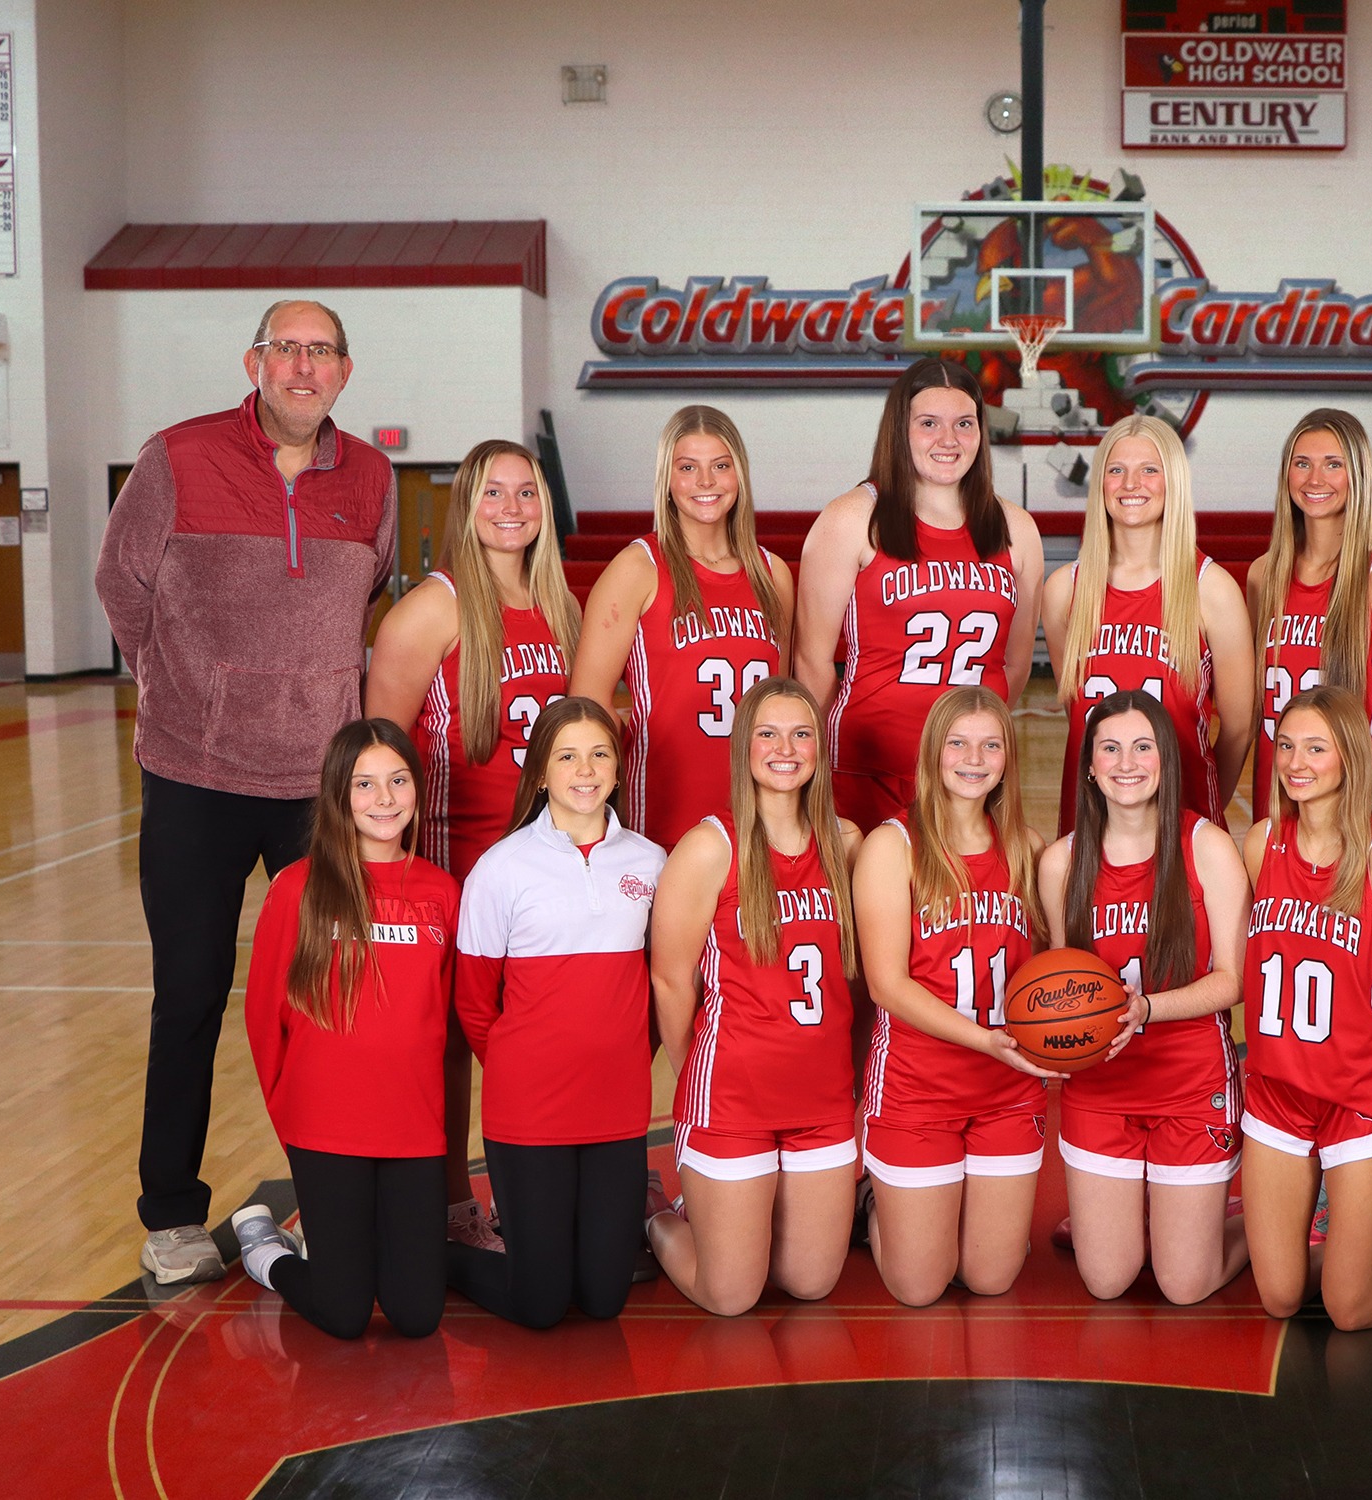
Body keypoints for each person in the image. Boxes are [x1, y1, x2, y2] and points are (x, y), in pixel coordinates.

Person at [94, 299, 394, 1285]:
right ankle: (173, 1216)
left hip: (318, 789)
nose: (303, 368)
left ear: (345, 371)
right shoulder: (176, 458)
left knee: (328, 1000)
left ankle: (326, 1200)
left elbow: (368, 597)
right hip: (195, 779)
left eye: (321, 352)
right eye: (287, 350)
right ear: (255, 362)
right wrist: (185, 687)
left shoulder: (375, 479)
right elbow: (120, 586)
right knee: (187, 997)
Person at [365, 438, 579, 1251]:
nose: (512, 508)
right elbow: (378, 753)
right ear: (466, 505)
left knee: (537, 1041)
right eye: (493, 493)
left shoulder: (564, 605)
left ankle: (539, 1192)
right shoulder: (432, 608)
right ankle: (453, 1205)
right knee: (452, 1042)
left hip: (547, 868)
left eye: (527, 492)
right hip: (457, 867)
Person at [448, 698, 668, 1329]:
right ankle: (438, 1260)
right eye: (566, 755)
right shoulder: (502, 868)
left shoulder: (650, 864)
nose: (585, 768)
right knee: (540, 1305)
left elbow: (662, 986)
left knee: (603, 1300)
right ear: (540, 772)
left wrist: (625, 1055)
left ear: (620, 767)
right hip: (529, 1109)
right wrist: (525, 1067)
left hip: (617, 1105)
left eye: (599, 753)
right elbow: (473, 1000)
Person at [233, 719, 456, 1339]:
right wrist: (291, 1119)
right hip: (325, 1127)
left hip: (411, 1126)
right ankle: (269, 1253)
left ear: (418, 787)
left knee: (416, 1315)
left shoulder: (441, 892)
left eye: (397, 781)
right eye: (364, 784)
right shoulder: (299, 888)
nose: (384, 800)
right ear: (337, 794)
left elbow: (445, 1017)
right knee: (345, 1313)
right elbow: (262, 1018)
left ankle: (347, 1247)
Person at [647, 678, 864, 1316]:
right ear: (743, 747)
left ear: (820, 748)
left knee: (810, 1280)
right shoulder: (709, 847)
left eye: (801, 734)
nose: (785, 749)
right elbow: (670, 978)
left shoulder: (845, 845)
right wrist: (697, 1074)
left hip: (822, 1099)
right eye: (767, 734)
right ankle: (658, 1213)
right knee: (732, 1295)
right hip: (732, 1100)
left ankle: (731, 1216)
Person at [1040, 691, 1251, 1304]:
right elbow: (1059, 986)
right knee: (1108, 1281)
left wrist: (1148, 1008)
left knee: (1185, 1285)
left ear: (1166, 761)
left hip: (1190, 1082)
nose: (1126, 763)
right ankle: (1134, 1213)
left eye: (1142, 747)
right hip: (1102, 1088)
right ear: (1088, 766)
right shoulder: (1061, 863)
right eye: (1109, 748)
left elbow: (1233, 980)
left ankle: (1266, 1226)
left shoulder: (1206, 846)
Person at [1240, 686, 1372, 1330]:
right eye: (1287, 746)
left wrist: (1365, 1066)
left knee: (1351, 1310)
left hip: (1358, 1097)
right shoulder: (1262, 842)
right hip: (1275, 1094)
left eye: (1316, 748)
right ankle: (1370, 1238)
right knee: (1281, 1299)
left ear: (1349, 757)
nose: (1297, 762)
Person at [854, 687, 1052, 1306]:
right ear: (933, 754)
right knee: (920, 1287)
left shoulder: (1027, 847)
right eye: (958, 743)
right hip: (919, 1085)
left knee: (990, 1279)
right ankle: (873, 1204)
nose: (974, 757)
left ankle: (959, 1215)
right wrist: (987, 1041)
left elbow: (1049, 972)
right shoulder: (893, 845)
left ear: (1007, 758)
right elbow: (887, 984)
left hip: (1009, 1090)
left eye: (991, 744)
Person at [793, 357, 1045, 830]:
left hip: (968, 778)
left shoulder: (1016, 529)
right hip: (869, 773)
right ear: (900, 430)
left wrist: (971, 747)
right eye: (929, 423)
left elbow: (1013, 665)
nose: (948, 440)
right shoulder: (851, 518)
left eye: (964, 424)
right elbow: (811, 661)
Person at [570, 404, 795, 849]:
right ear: (667, 481)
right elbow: (586, 706)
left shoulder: (774, 574)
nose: (706, 482)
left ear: (740, 475)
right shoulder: (638, 567)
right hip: (663, 816)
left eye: (721, 466)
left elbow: (784, 702)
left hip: (757, 817)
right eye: (688, 467)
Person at [1042, 414, 1254, 833]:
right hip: (1090, 826)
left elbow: (1239, 727)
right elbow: (1078, 715)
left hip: (1183, 825)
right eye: (1116, 470)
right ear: (1100, 484)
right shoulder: (1065, 590)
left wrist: (1199, 799)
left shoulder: (1210, 588)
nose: (1130, 484)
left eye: (1149, 470)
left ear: (1172, 481)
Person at [1246, 408, 1372, 833]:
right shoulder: (1263, 575)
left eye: (1334, 464)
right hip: (1278, 807)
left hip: (1359, 815)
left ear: (1358, 476)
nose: (1315, 479)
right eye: (1302, 463)